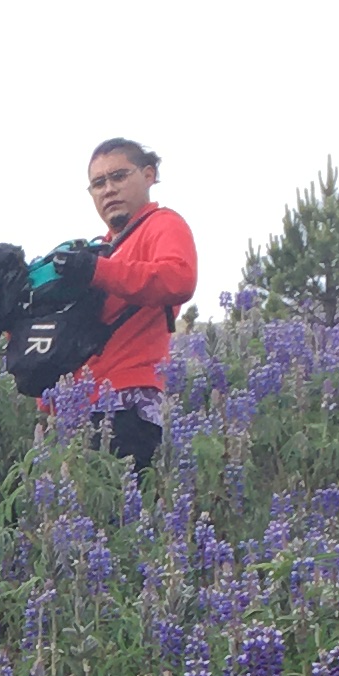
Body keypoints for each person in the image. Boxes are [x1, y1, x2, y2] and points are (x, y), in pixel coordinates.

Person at [53, 137, 195, 477]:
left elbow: (178, 279)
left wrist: (96, 271)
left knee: (120, 516)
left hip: (129, 404)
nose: (108, 189)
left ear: (149, 175)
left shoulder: (163, 223)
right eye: (98, 183)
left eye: (119, 176)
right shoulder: (99, 249)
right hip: (80, 406)